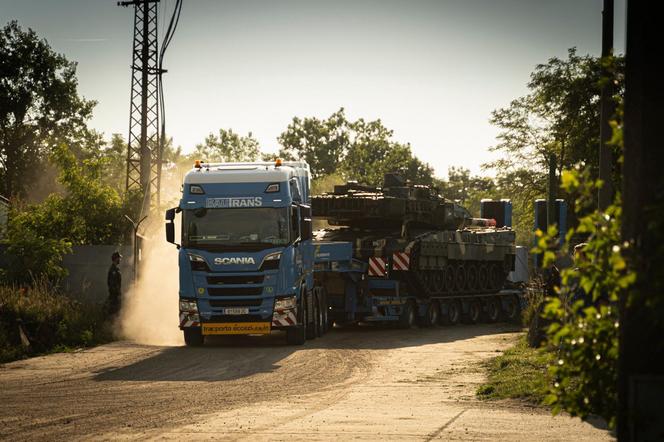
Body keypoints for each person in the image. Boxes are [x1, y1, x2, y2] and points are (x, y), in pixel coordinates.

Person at [107, 251, 122, 317]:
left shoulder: (116, 269)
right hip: (114, 295)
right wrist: (116, 293)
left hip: (115, 294)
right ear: (116, 259)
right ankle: (111, 324)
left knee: (116, 311)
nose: (120, 260)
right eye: (119, 258)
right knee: (114, 311)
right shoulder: (113, 269)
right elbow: (112, 283)